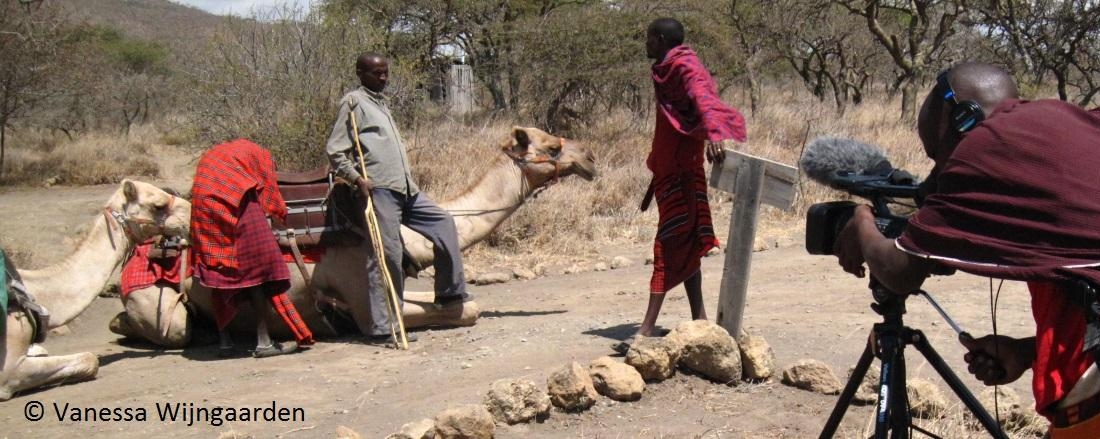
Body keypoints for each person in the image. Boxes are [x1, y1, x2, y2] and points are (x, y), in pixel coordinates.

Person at [833, 61, 1100, 437]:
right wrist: (1027, 352)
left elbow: (900, 271)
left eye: (937, 155)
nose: (940, 171)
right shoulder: (1067, 124)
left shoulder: (986, 146)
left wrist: (860, 219)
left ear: (961, 117)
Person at [618, 18, 747, 352]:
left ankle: (646, 329)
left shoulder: (684, 67)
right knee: (687, 243)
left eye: (648, 38)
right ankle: (699, 317)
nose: (644, 43)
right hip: (669, 169)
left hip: (683, 173)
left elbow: (703, 96)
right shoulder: (667, 68)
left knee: (666, 245)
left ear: (660, 39)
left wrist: (715, 133)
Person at [325, 52, 470, 344]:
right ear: (360, 73)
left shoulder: (381, 104)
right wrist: (357, 179)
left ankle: (448, 293)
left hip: (407, 189)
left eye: (385, 73)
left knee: (443, 223)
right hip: (379, 190)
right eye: (377, 73)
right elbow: (335, 150)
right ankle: (383, 327)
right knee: (386, 255)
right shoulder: (353, 103)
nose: (383, 78)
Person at [191, 138, 315, 358]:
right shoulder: (258, 155)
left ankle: (225, 342)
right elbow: (269, 191)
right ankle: (264, 342)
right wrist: (279, 214)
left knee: (219, 267)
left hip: (204, 210)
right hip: (232, 204)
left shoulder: (219, 157)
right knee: (259, 266)